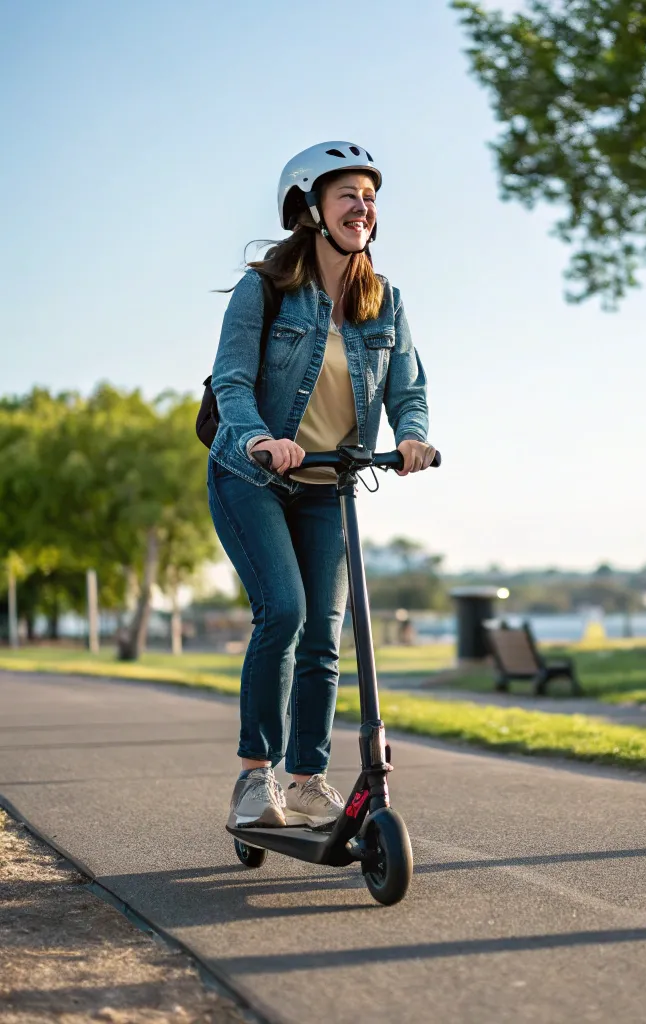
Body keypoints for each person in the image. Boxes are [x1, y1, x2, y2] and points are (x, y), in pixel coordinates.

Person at [207, 141, 434, 830]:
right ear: (309, 208)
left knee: (325, 636)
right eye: (348, 195)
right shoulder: (265, 288)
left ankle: (306, 780)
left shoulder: (383, 301)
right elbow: (233, 382)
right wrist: (259, 438)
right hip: (253, 474)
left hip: (330, 484)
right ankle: (255, 779)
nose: (363, 208)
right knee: (284, 611)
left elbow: (410, 388)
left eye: (370, 198)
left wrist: (414, 434)